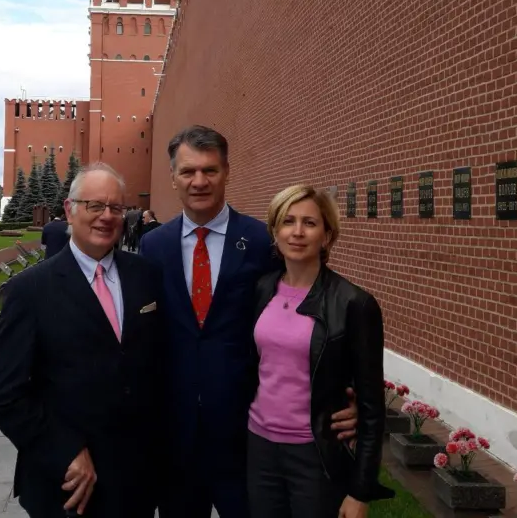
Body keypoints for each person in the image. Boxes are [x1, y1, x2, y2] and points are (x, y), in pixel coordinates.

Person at [139, 125, 358, 518]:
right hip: (175, 434)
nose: (199, 181)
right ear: (173, 177)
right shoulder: (152, 246)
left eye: (210, 170)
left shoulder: (261, 242)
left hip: (246, 435)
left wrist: (344, 393)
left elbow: (310, 315)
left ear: (227, 172)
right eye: (188, 171)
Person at [0, 164, 164, 518]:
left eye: (115, 208)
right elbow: (5, 396)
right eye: (94, 206)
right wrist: (64, 451)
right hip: (68, 484)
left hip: (136, 479)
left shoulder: (145, 275)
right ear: (70, 210)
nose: (106, 217)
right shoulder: (30, 290)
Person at [247, 185, 393, 518]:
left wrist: (361, 490)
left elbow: (372, 405)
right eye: (288, 221)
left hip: (316, 457)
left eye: (310, 223)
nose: (297, 232)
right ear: (275, 231)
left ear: (327, 235)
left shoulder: (354, 304)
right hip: (260, 449)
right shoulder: (261, 290)